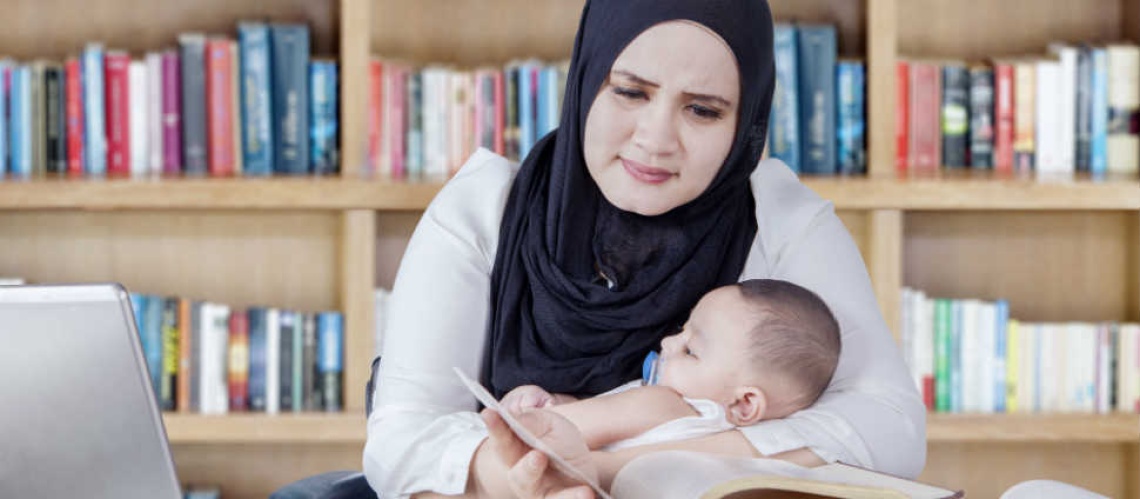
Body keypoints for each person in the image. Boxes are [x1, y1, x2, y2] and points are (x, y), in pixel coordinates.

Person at [272, 0, 927, 497]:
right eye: (630, 91)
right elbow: (400, 435)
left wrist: (626, 467)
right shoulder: (483, 207)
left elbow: (894, 427)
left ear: (747, 119)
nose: (655, 138)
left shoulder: (779, 220)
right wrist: (522, 477)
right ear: (588, 79)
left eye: (703, 110)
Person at [499, 278, 842, 460]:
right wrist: (557, 402)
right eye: (682, 330)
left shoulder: (664, 403)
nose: (667, 344)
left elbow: (551, 433)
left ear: (744, 404)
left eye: (690, 351)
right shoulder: (711, 428)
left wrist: (533, 413)